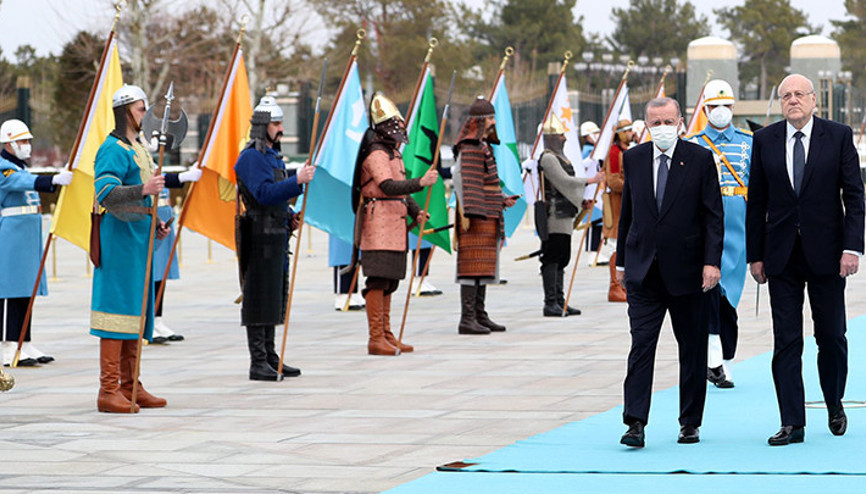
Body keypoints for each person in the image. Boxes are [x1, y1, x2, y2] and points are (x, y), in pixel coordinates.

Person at [746, 74, 864, 446]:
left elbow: (855, 197)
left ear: (814, 100)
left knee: (831, 337)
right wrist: (755, 255)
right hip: (781, 256)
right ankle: (792, 422)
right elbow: (757, 202)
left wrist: (852, 248)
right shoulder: (765, 140)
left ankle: (833, 402)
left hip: (828, 254)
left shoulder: (839, 135)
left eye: (799, 94)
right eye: (786, 96)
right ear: (780, 103)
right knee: (786, 341)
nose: (793, 100)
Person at [617, 97, 723, 448]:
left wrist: (712, 262)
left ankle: (690, 421)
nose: (662, 127)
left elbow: (713, 216)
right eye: (655, 122)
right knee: (641, 347)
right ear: (646, 125)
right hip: (643, 271)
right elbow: (627, 213)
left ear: (680, 122)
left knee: (692, 349)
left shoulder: (700, 159)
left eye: (668, 121)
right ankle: (635, 422)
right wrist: (620, 263)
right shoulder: (633, 159)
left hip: (689, 272)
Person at [91, 84, 199, 413]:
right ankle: (108, 390)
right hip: (119, 239)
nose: (146, 114)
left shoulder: (138, 147)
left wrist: (157, 222)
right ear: (125, 111)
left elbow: (144, 196)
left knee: (136, 311)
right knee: (116, 309)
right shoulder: (113, 148)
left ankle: (130, 385)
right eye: (140, 109)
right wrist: (144, 188)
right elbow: (106, 192)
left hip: (139, 236)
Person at [235, 95, 314, 381]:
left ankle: (270, 355)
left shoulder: (271, 155)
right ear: (262, 126)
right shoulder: (251, 157)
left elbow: (278, 198)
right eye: (276, 123)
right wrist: (297, 181)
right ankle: (257, 361)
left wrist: (290, 214)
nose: (281, 128)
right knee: (258, 296)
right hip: (258, 234)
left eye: (281, 123)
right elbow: (264, 194)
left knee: (275, 294)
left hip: (276, 232)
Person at [353, 93, 438, 355]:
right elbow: (387, 186)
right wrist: (421, 182)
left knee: (390, 280)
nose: (401, 128)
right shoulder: (377, 153)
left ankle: (386, 335)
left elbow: (401, 192)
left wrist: (415, 212)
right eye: (396, 123)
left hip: (395, 224)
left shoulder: (393, 153)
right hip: (378, 225)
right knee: (378, 279)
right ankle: (375, 337)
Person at [690, 79, 751, 389]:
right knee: (709, 291)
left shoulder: (747, 142)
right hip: (705, 225)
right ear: (706, 109)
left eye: (726, 106)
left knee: (730, 295)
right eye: (715, 106)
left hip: (739, 224)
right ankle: (714, 360)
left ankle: (722, 357)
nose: (721, 112)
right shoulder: (693, 143)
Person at [0, 119, 72, 366]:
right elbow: (17, 183)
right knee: (8, 291)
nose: (27, 146)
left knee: (26, 291)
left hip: (26, 239)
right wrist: (51, 181)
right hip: (9, 237)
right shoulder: (4, 168)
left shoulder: (19, 168)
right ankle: (6, 345)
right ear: (8, 143)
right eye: (22, 141)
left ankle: (24, 341)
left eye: (28, 141)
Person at [452, 97, 518, 335]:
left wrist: (500, 199)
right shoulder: (469, 147)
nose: (493, 122)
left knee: (483, 266)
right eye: (490, 117)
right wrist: (472, 210)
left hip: (487, 213)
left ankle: (479, 314)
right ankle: (467, 318)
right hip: (474, 216)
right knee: (472, 267)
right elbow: (464, 181)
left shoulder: (483, 147)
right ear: (479, 121)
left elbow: (485, 183)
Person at [537, 113, 603, 317]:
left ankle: (559, 300)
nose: (564, 138)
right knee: (552, 257)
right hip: (553, 215)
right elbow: (563, 181)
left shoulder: (559, 157)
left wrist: (581, 202)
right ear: (550, 137)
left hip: (564, 214)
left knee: (562, 257)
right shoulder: (548, 158)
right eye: (560, 135)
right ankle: (550, 303)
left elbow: (566, 186)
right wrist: (590, 181)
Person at [603, 119, 634, 302]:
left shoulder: (625, 151)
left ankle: (624, 287)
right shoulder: (615, 152)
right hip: (617, 204)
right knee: (616, 244)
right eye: (628, 130)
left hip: (626, 203)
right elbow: (613, 180)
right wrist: (633, 187)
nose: (631, 133)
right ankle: (615, 288)